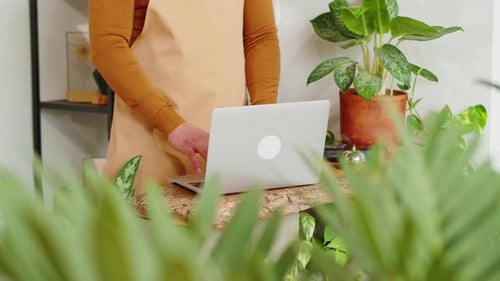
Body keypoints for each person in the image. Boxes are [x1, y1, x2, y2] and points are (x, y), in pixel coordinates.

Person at [89, 0, 281, 194]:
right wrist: (171, 124)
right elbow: (107, 46)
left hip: (225, 138)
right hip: (150, 133)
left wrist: (262, 115)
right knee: (147, 221)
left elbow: (260, 37)